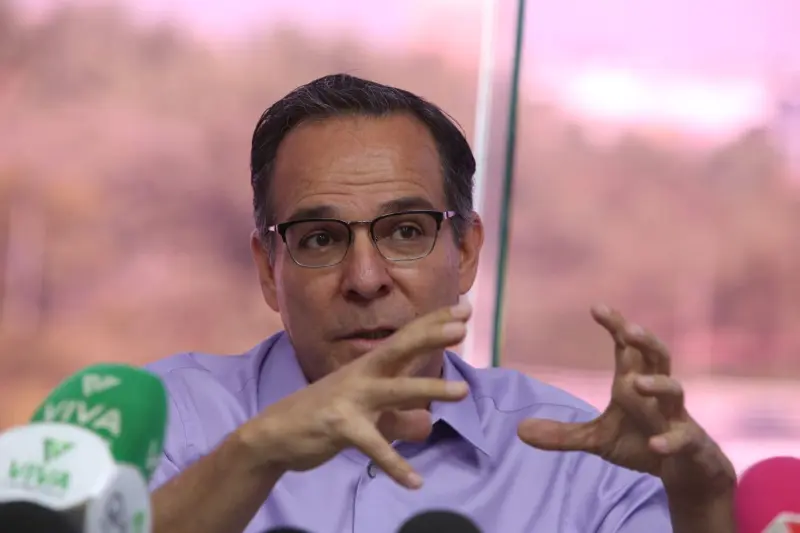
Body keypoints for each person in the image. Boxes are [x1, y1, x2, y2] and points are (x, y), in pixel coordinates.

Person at [146, 74, 736, 533]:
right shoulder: (163, 423)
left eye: (406, 231)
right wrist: (255, 453)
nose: (365, 279)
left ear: (467, 252)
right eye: (321, 239)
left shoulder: (579, 460)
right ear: (267, 270)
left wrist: (703, 504)